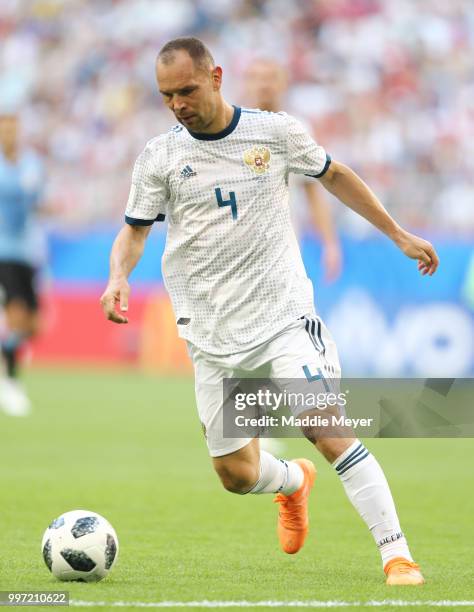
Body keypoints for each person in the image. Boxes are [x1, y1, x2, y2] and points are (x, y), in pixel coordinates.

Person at [100, 37, 439, 585]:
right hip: (211, 333)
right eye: (166, 96)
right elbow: (134, 231)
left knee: (323, 427)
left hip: (283, 317)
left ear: (216, 76)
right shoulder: (159, 156)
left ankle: (396, 553)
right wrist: (119, 275)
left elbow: (334, 175)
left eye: (186, 90)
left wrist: (397, 234)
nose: (178, 104)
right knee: (236, 476)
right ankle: (291, 483)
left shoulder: (273, 132)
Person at [243, 58, 341, 282]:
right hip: (239, 249)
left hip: (283, 248)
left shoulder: (297, 130)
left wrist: (329, 243)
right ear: (246, 84)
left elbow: (312, 190)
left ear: (283, 83)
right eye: (256, 78)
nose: (263, 85)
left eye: (270, 78)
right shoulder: (231, 131)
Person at [0, 113, 44, 416]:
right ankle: (11, 383)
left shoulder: (32, 163)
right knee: (15, 315)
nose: (10, 134)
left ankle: (8, 354)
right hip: (4, 251)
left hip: (28, 251)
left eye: (14, 128)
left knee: (32, 326)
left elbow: (40, 198)